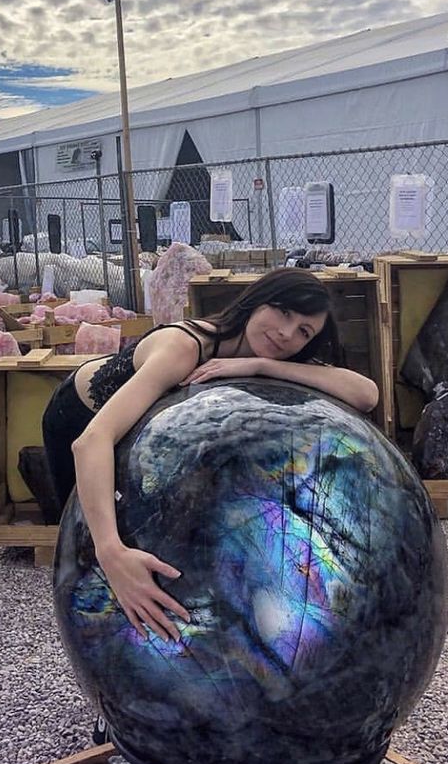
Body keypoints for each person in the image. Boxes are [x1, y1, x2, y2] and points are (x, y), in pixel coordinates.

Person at [41, 268, 379, 642]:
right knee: (100, 554)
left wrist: (261, 366)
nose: (287, 333)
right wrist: (109, 551)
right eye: (284, 312)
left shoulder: (260, 354)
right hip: (80, 420)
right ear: (257, 300)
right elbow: (92, 441)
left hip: (149, 439)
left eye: (304, 331)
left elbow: (366, 394)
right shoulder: (184, 349)